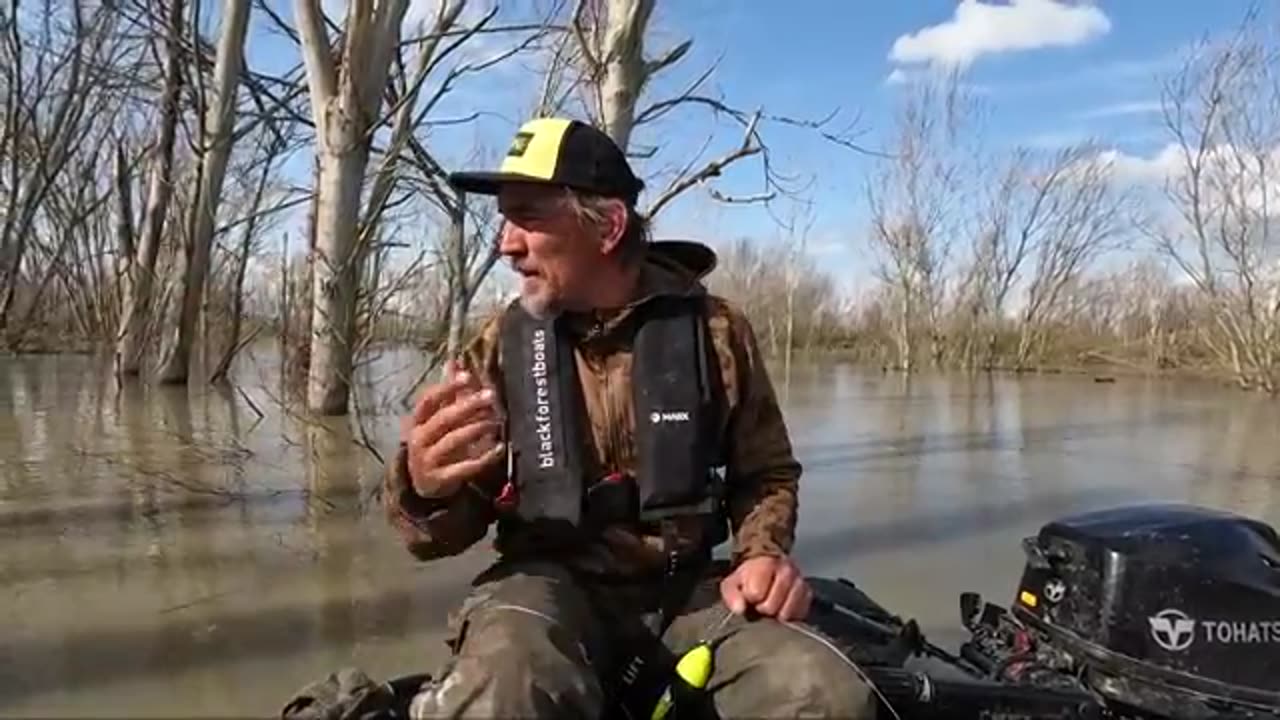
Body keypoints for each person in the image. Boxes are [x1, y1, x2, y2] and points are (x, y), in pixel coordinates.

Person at [383, 117, 878, 719]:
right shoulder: (497, 348)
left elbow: (767, 472)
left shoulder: (716, 331)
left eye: (529, 216)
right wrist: (427, 490)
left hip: (689, 593)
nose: (505, 244)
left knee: (824, 694)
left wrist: (762, 555)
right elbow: (438, 539)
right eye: (504, 219)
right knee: (504, 686)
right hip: (546, 591)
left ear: (609, 226)